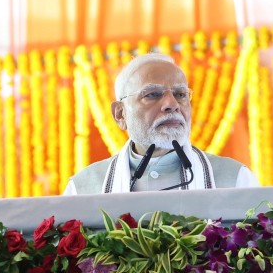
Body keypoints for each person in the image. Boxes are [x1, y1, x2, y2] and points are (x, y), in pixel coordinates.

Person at [63, 53, 259, 195]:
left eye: (180, 94)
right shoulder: (83, 189)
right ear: (120, 114)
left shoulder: (235, 180)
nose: (172, 104)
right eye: (152, 94)